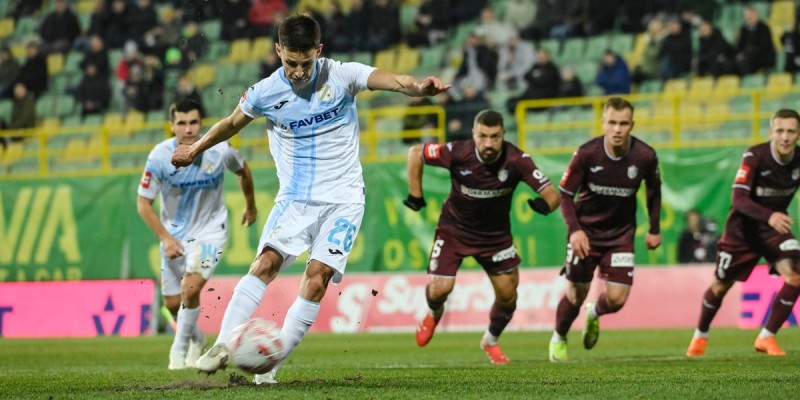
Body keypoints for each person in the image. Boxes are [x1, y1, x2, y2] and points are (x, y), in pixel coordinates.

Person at [170, 14, 450, 384]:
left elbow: (395, 81)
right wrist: (194, 149)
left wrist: (419, 88)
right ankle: (223, 345)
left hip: (345, 200)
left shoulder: (343, 75)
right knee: (265, 264)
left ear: (319, 50)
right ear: (278, 51)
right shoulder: (265, 92)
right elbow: (231, 123)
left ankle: (269, 363)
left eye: (306, 62)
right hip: (295, 199)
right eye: (291, 63)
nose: (299, 72)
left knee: (317, 280)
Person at [406, 109, 560, 364]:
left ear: (504, 134)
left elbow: (553, 195)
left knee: (508, 296)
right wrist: (415, 194)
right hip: (454, 230)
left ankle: (490, 340)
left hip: (495, 238)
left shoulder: (517, 159)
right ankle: (433, 314)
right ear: (473, 134)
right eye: (483, 136)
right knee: (439, 290)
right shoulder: (457, 152)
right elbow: (415, 153)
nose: (488, 143)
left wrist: (547, 206)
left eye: (495, 137)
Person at [136, 99, 258, 370]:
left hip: (210, 233)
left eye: (193, 122)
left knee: (190, 289)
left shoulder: (220, 149)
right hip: (174, 237)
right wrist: (165, 238)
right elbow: (143, 203)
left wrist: (250, 206)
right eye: (182, 123)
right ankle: (197, 339)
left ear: (201, 123)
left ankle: (177, 353)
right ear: (172, 126)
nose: (189, 129)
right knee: (172, 304)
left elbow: (243, 170)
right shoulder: (159, 157)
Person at [549, 96, 662, 362]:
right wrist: (575, 230)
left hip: (621, 236)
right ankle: (559, 337)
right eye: (612, 123)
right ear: (603, 123)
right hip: (586, 234)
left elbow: (653, 191)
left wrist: (654, 228)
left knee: (618, 299)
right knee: (575, 294)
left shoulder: (645, 156)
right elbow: (565, 194)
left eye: (623, 123)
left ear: (632, 124)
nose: (617, 129)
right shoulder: (587, 154)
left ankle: (594, 312)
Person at [686, 109, 800, 357]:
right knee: (720, 286)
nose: (785, 137)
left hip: (773, 232)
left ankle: (766, 337)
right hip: (741, 233)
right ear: (771, 132)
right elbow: (738, 199)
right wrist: (770, 215)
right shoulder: (755, 155)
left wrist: (772, 220)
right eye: (780, 131)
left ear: (798, 134)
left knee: (795, 276)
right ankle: (700, 335)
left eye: (791, 131)